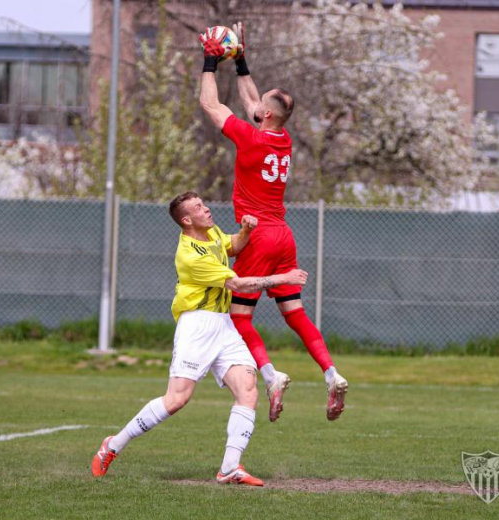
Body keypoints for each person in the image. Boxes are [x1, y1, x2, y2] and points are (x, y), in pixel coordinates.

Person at [91, 191, 308, 485]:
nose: (206, 209)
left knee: (248, 389)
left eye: (204, 204)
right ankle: (113, 445)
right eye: (198, 208)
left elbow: (233, 247)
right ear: (186, 219)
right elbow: (236, 283)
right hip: (197, 325)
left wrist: (246, 230)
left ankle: (230, 467)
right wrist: (282, 278)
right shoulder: (191, 255)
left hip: (223, 324)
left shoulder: (212, 232)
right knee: (176, 400)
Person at [198, 24, 348, 422]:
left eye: (261, 105)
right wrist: (241, 59)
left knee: (239, 316)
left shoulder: (250, 138)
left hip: (259, 235)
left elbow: (212, 105)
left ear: (265, 114)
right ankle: (331, 374)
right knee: (294, 311)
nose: (255, 104)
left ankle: (271, 375)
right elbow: (253, 100)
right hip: (284, 235)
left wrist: (212, 60)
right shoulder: (282, 139)